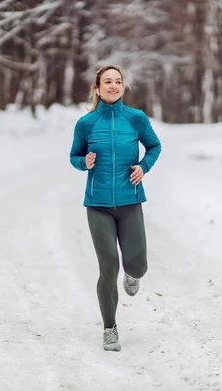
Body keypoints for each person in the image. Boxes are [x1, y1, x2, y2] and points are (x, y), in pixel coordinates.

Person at [69, 65, 162, 352]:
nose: (113, 85)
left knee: (138, 264)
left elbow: (154, 146)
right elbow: (74, 155)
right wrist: (84, 162)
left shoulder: (135, 119)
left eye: (118, 81)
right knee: (108, 265)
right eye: (107, 82)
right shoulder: (86, 123)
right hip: (98, 205)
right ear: (97, 88)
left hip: (130, 201)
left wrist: (143, 167)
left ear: (123, 87)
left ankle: (132, 274)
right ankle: (110, 327)